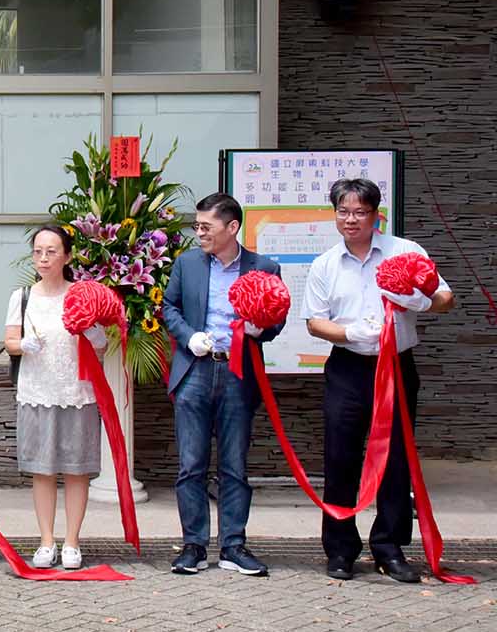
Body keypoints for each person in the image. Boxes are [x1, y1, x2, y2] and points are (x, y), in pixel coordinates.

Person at [303, 178, 453, 583]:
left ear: (376, 215)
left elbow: (445, 299)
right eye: (343, 212)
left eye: (359, 212)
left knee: (396, 459)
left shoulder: (406, 252)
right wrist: (351, 333)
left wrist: (415, 299)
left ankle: (389, 547)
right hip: (348, 367)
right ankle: (340, 550)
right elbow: (315, 323)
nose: (351, 220)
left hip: (398, 365)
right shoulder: (325, 265)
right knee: (340, 458)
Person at [162, 193, 284, 576]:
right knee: (191, 465)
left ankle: (233, 546)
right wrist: (188, 336)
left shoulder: (264, 267)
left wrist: (262, 329)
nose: (199, 233)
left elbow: (276, 318)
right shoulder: (187, 264)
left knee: (234, 466)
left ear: (232, 227)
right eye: (196, 226)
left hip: (238, 372)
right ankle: (193, 545)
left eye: (206, 227)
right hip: (195, 370)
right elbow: (169, 307)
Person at [2, 225, 108, 570]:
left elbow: (102, 346)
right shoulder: (22, 297)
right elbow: (11, 342)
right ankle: (46, 542)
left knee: (77, 471)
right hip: (36, 393)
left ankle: (72, 542)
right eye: (37, 251)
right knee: (42, 471)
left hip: (78, 393)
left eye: (51, 251)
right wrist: (24, 346)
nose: (43, 258)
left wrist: (92, 331)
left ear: (67, 255)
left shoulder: (82, 295)